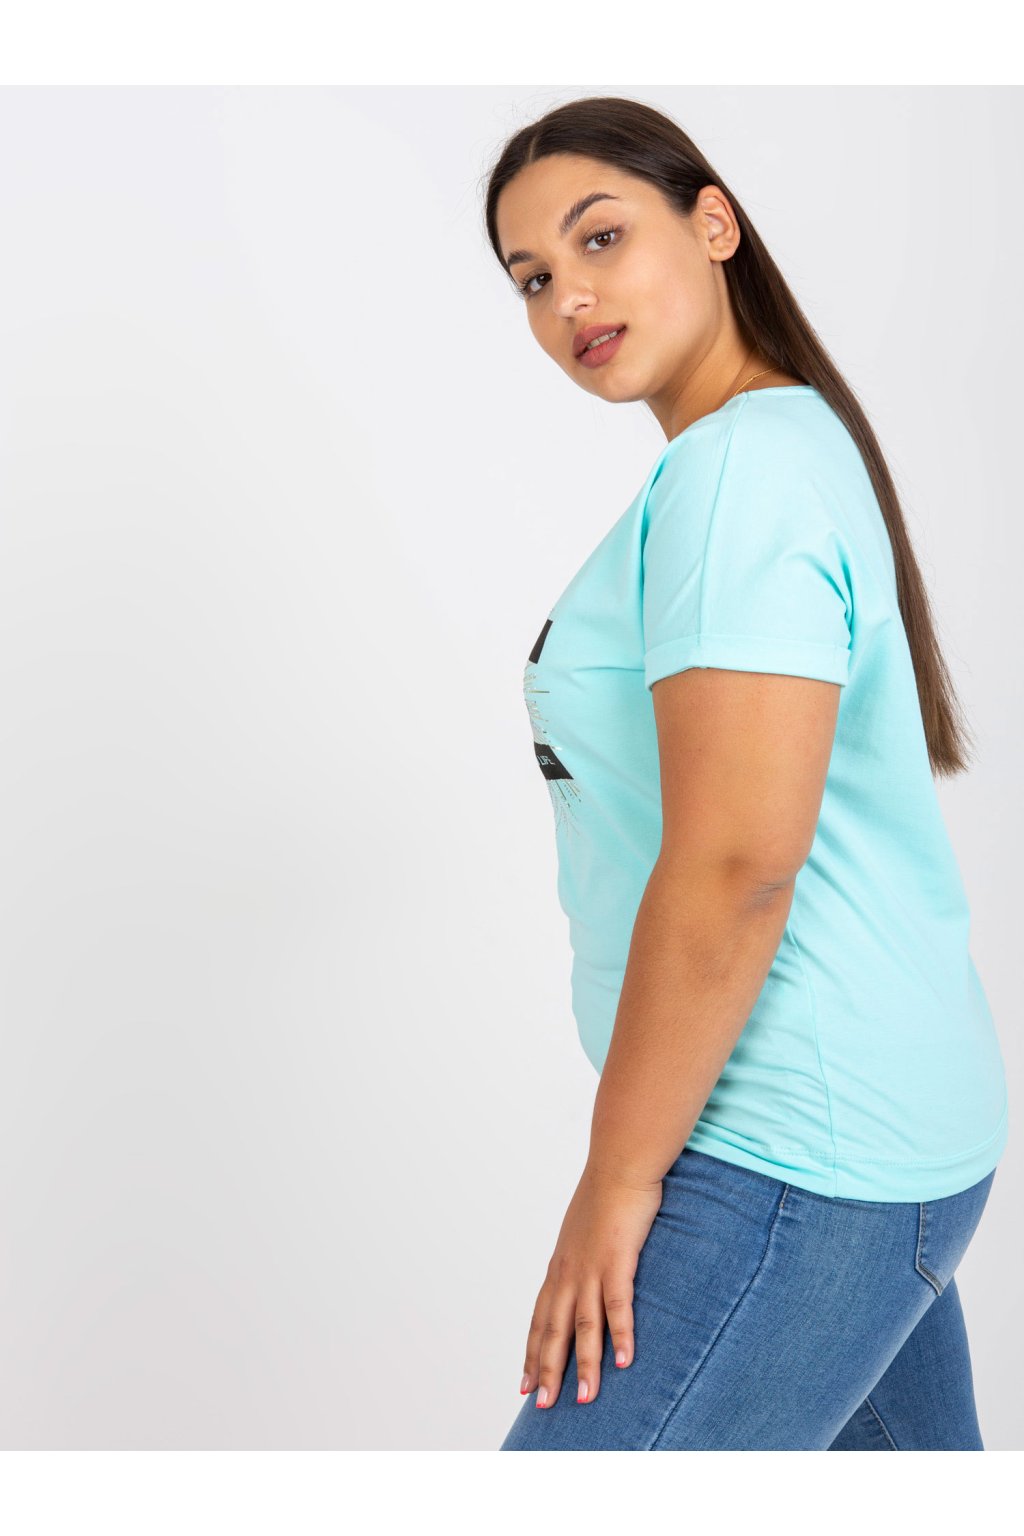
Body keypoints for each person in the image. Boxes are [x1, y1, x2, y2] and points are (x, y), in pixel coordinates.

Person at [484, 95, 1009, 1451]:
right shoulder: (785, 441)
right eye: (532, 277)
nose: (568, 296)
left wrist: (614, 1183)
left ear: (713, 224)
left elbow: (736, 866)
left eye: (601, 237)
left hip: (793, 1156)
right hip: (869, 1139)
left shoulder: (739, 475)